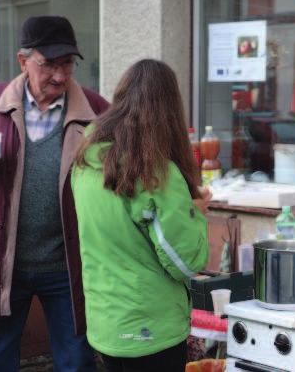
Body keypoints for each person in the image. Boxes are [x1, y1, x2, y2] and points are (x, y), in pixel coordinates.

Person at [0, 16, 109, 370]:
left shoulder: (96, 111)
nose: (59, 75)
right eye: (49, 64)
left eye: (67, 64)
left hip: (69, 263)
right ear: (23, 61)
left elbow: (123, 169)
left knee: (77, 362)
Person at [71, 59, 210, 371]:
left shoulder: (88, 159)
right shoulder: (157, 171)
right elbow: (185, 263)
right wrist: (196, 213)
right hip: (150, 328)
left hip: (105, 321)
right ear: (170, 110)